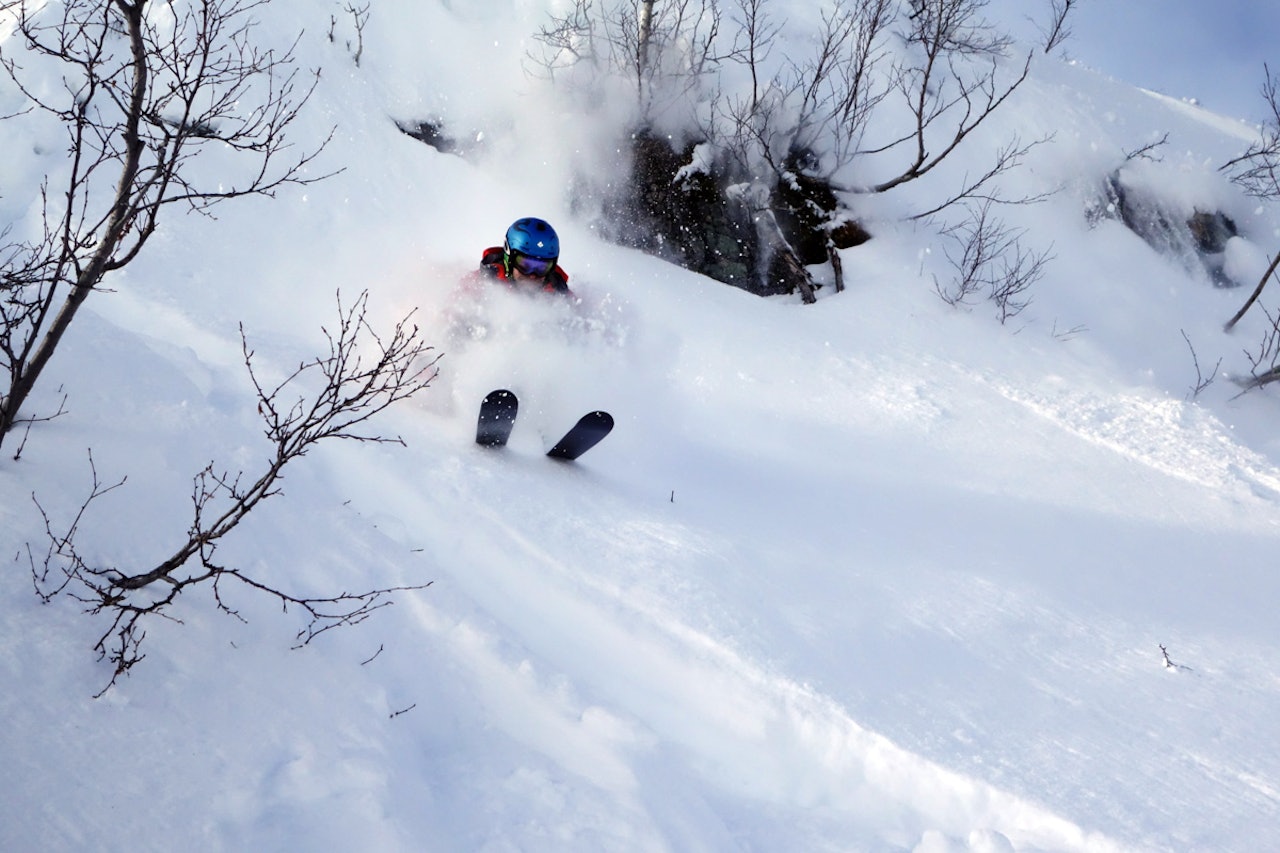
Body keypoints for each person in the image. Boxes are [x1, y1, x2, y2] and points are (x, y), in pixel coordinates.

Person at [473, 217, 573, 297]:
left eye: (542, 268)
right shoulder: (481, 284)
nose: (533, 275)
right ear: (509, 259)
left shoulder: (558, 292)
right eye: (525, 265)